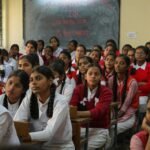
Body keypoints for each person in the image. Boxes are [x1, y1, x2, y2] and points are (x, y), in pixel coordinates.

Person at [14, 66, 75, 150]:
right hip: (36, 145)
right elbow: (18, 121)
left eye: (38, 78)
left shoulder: (61, 101)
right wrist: (21, 128)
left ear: (50, 81)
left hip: (60, 147)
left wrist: (26, 136)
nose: (33, 82)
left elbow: (49, 133)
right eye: (31, 80)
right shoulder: (29, 98)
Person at [70, 63, 112, 149]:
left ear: (101, 77)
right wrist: (74, 112)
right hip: (80, 128)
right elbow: (72, 106)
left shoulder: (106, 91)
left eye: (96, 74)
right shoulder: (78, 89)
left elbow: (99, 111)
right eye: (90, 74)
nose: (93, 76)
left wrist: (77, 113)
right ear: (85, 76)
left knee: (85, 148)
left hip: (99, 129)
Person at [108, 54, 138, 134]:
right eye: (116, 62)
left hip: (128, 113)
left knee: (112, 128)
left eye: (122, 63)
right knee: (105, 126)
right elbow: (110, 99)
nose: (117, 65)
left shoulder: (132, 82)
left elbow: (127, 103)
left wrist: (117, 115)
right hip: (114, 111)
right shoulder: (111, 80)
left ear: (128, 67)